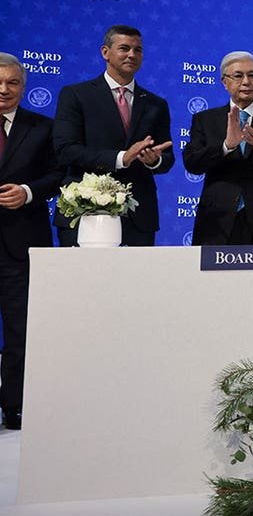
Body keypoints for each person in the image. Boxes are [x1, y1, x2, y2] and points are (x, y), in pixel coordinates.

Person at [52, 25, 173, 246]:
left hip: (139, 217)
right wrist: (121, 158)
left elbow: (167, 159)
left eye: (138, 50)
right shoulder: (76, 95)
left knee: (135, 281)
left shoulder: (156, 104)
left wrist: (154, 161)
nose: (132, 55)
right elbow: (66, 150)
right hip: (86, 213)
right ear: (105, 52)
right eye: (124, 48)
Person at [0, 53, 62, 430]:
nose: (4, 90)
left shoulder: (43, 127)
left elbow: (60, 173)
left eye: (12, 83)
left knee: (21, 329)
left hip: (21, 244)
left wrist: (27, 191)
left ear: (23, 87)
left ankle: (15, 405)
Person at [182, 51, 253, 245]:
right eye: (238, 76)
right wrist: (226, 146)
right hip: (217, 220)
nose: (246, 82)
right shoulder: (205, 119)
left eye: (252, 75)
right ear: (224, 82)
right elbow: (192, 163)